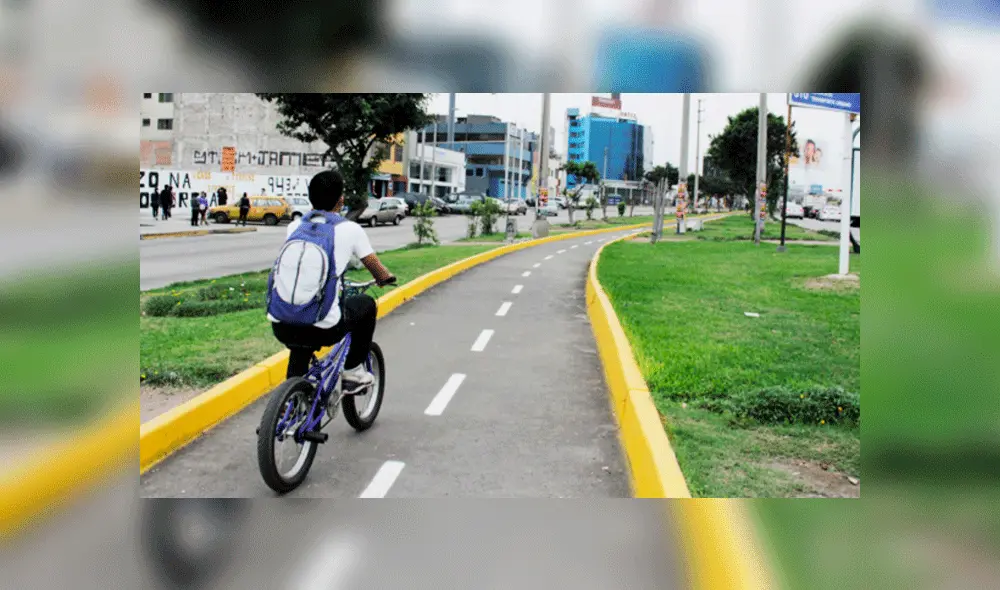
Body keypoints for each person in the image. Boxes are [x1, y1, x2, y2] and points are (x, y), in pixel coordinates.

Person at [269, 169, 397, 386]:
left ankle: (292, 399)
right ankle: (353, 370)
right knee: (366, 305)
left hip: (281, 323)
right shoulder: (350, 229)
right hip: (324, 328)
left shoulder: (294, 226)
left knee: (300, 336)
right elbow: (377, 269)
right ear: (341, 200)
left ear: (310, 197)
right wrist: (385, 278)